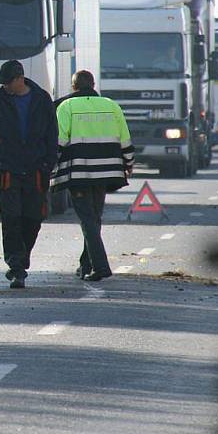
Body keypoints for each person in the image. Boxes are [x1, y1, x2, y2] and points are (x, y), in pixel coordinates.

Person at [0, 60, 58, 289]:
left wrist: (48, 164)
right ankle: (16, 268)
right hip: (9, 168)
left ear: (20, 79)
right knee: (12, 218)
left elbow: (52, 132)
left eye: (8, 82)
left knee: (34, 218)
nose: (5, 86)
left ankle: (22, 259)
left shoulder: (41, 99)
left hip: (36, 169)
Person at [52, 70, 135, 281]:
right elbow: (124, 139)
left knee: (88, 219)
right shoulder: (111, 105)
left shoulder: (66, 107)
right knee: (94, 219)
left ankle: (101, 267)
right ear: (93, 84)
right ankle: (86, 265)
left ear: (74, 87)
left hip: (80, 173)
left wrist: (49, 165)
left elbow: (60, 141)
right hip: (107, 173)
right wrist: (129, 163)